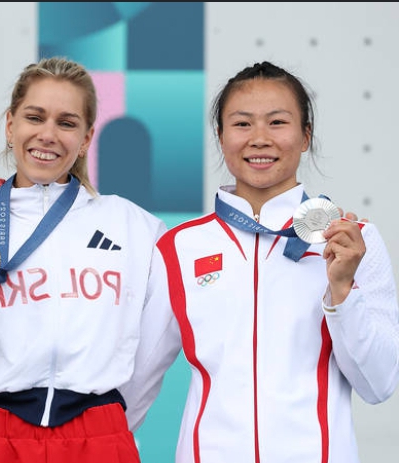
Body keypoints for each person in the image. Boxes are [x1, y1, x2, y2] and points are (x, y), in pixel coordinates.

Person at [119, 61, 399, 462]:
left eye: (278, 122)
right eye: (242, 124)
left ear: (305, 136)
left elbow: (379, 383)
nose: (260, 139)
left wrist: (342, 291)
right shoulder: (179, 247)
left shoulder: (352, 241)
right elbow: (135, 384)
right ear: (220, 136)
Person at [0, 56, 168, 463]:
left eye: (67, 123)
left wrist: (107, 418)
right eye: (35, 117)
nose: (48, 134)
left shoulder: (135, 228)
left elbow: (156, 351)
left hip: (100, 433)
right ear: (11, 124)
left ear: (86, 139)